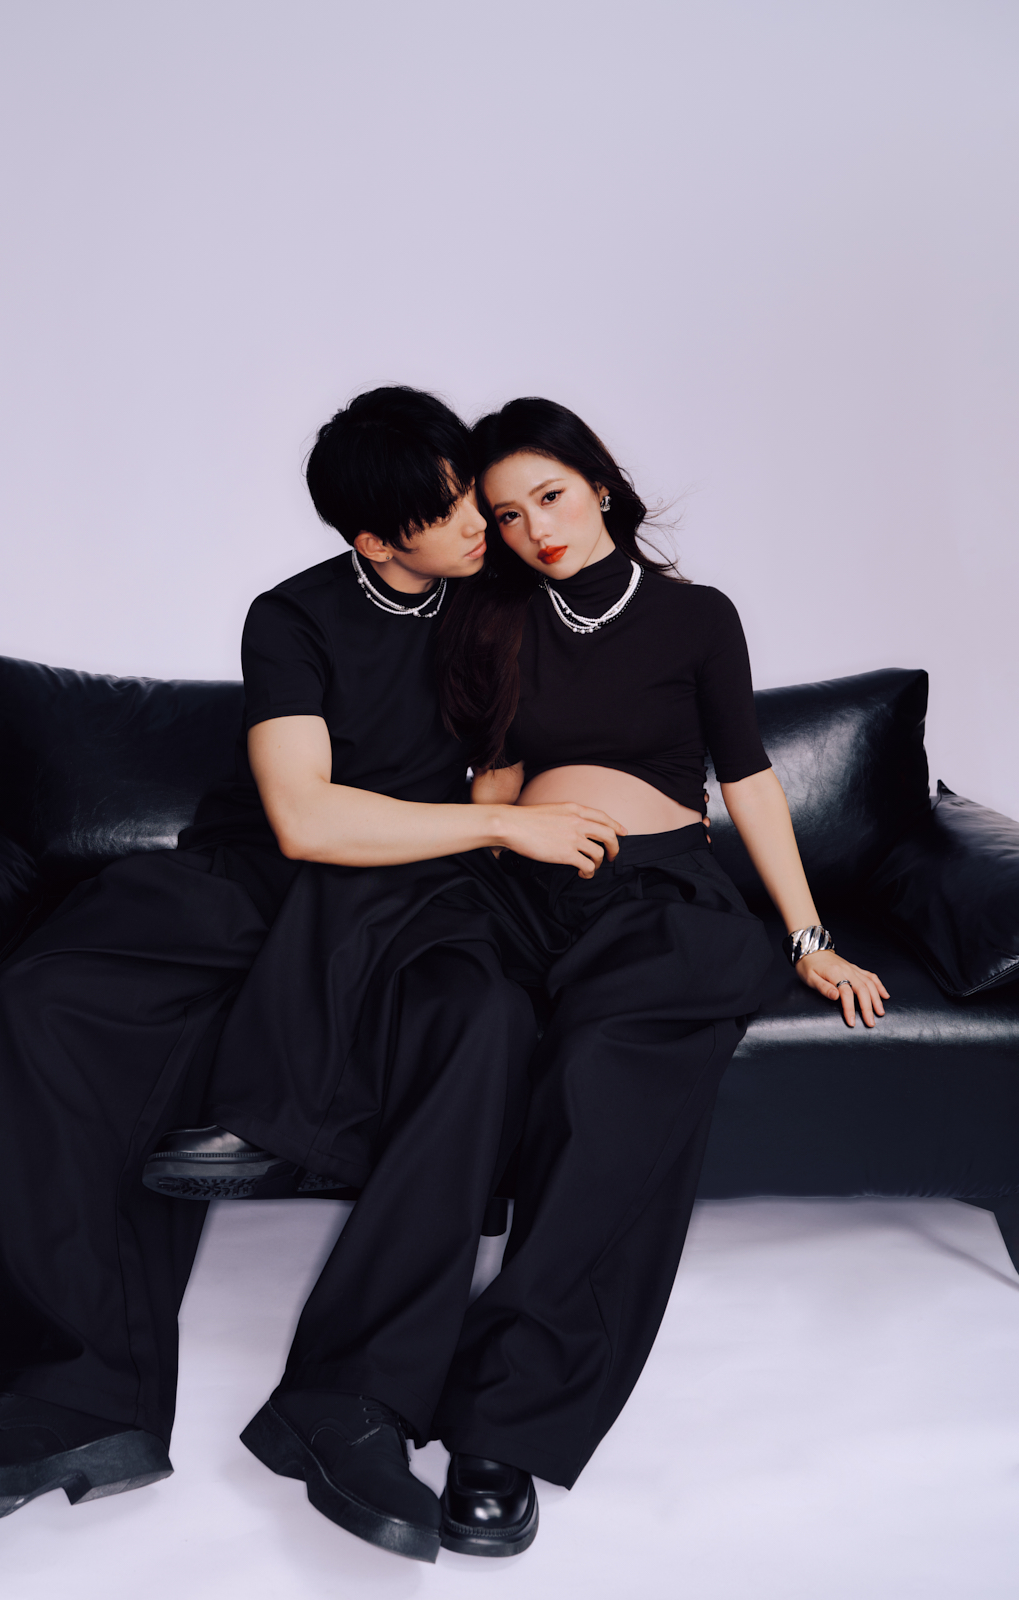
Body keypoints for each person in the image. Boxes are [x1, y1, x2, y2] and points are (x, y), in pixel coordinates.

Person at [0, 388, 620, 1541]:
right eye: (448, 511)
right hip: (261, 871)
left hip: (419, 887)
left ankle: (353, 1402)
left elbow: (525, 756)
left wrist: (503, 815)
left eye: (473, 492)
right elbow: (305, 819)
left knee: (482, 1020)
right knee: (45, 995)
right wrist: (496, 823)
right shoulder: (293, 617)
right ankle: (68, 1396)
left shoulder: (506, 599)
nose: (481, 520)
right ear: (375, 539)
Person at [419, 396, 890, 1550]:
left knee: (598, 1076)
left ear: (601, 484)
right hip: (525, 892)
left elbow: (751, 781)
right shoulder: (496, 622)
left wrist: (810, 938)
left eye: (550, 496)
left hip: (658, 898)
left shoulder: (694, 618)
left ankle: (503, 1418)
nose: (535, 529)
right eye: (507, 514)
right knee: (444, 1005)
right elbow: (493, 787)